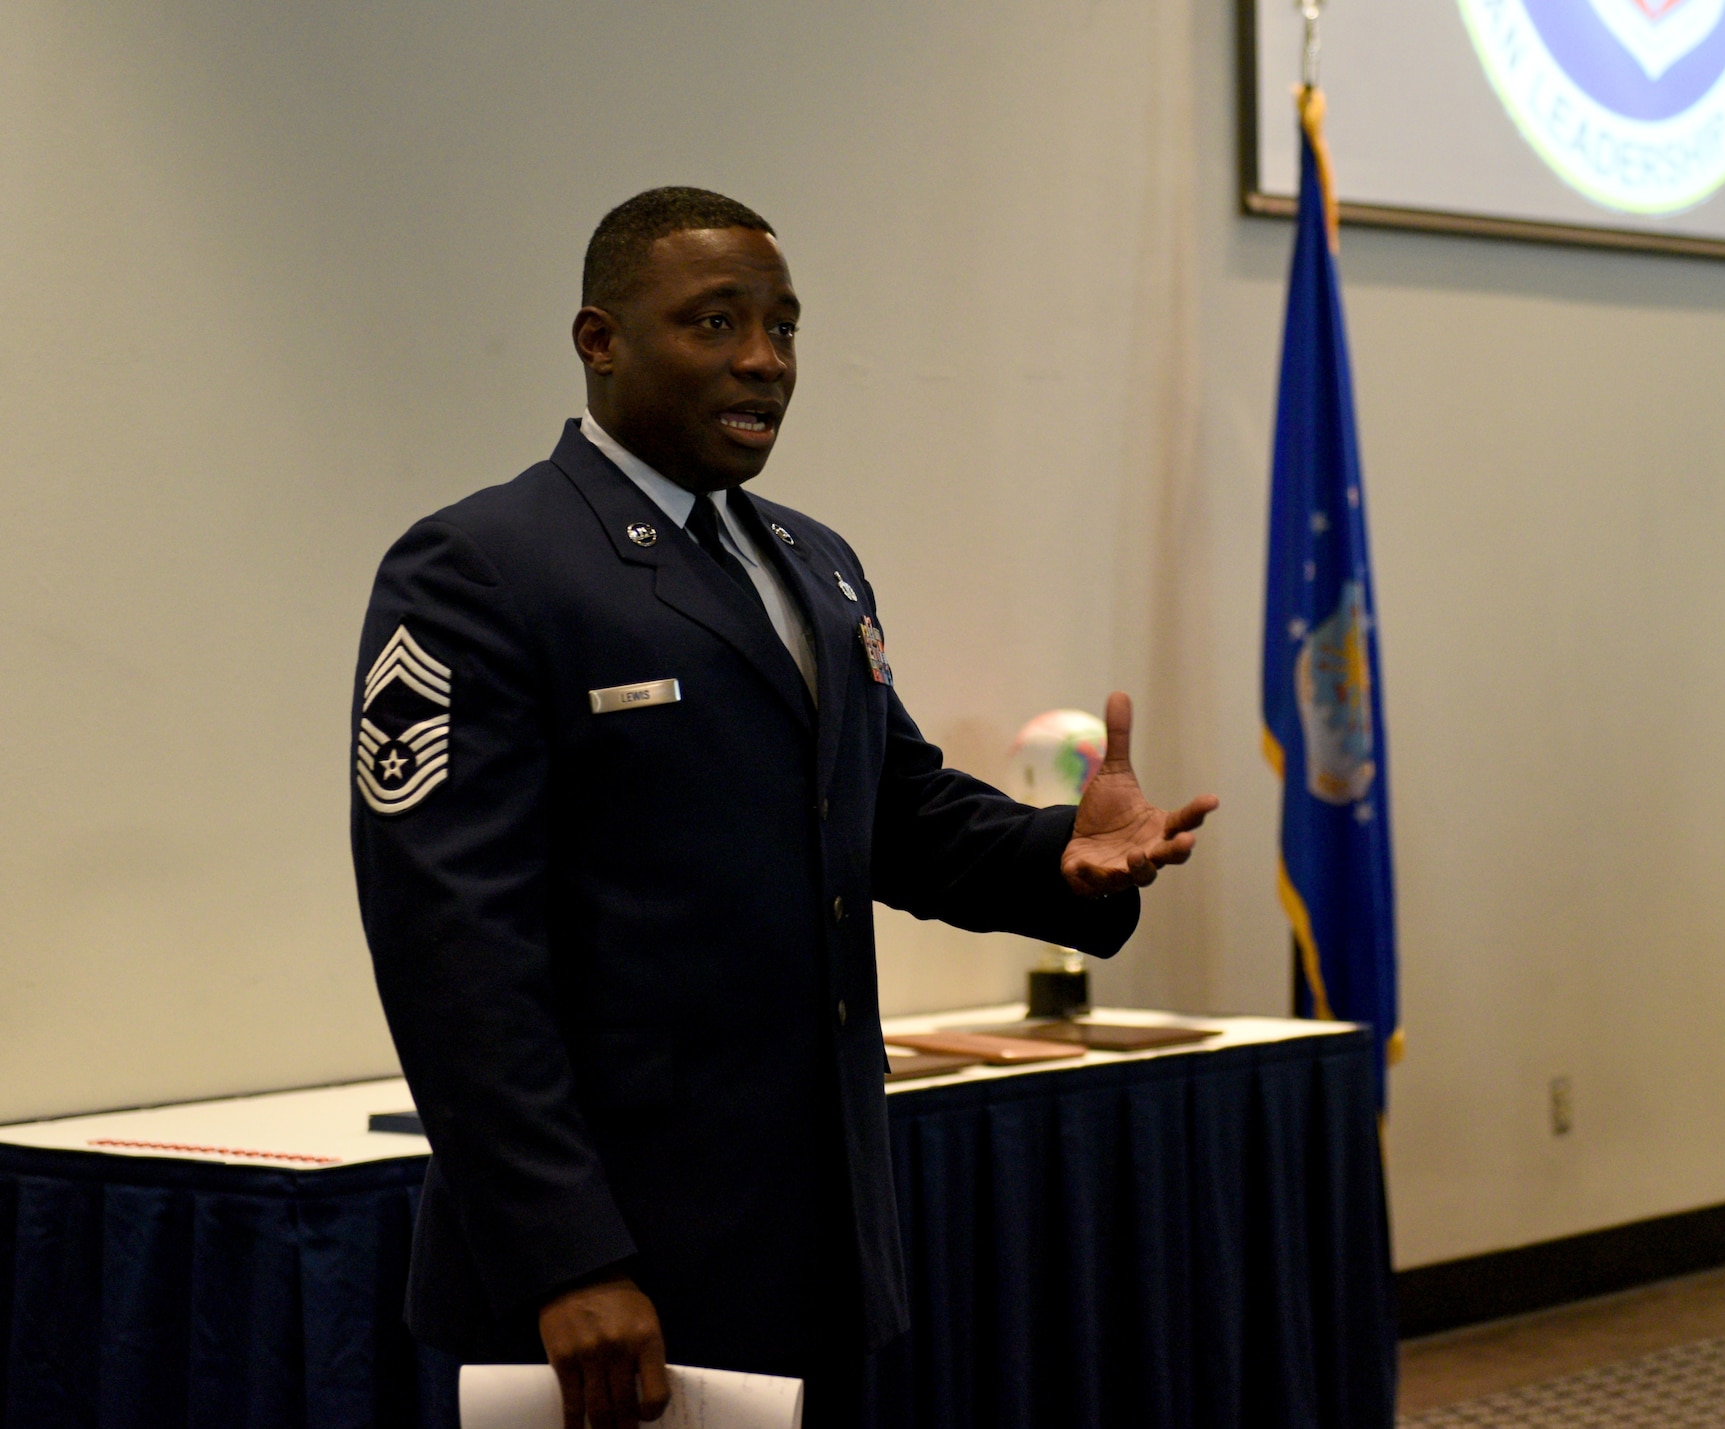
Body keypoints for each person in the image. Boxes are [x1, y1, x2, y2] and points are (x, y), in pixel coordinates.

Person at [350, 186, 1217, 1429]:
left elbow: (889, 807)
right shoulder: (482, 565)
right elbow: (452, 946)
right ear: (600, 340)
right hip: (615, 1249)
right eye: (715, 321)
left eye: (784, 327)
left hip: (818, 1230)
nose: (764, 360)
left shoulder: (813, 561)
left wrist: (1056, 853)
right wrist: (566, 1254)